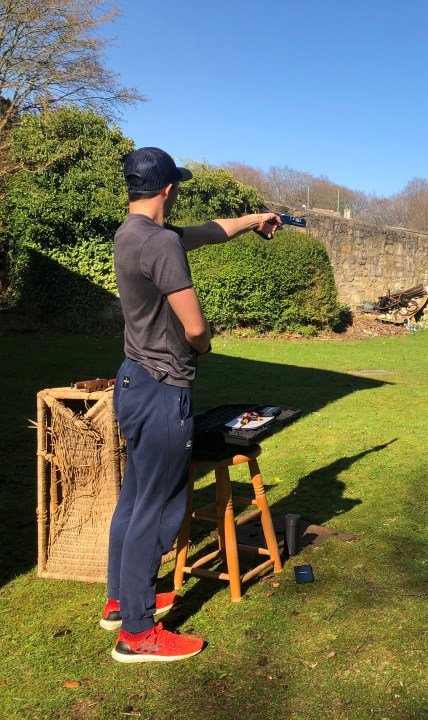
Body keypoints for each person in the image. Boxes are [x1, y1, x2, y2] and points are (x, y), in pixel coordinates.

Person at [103, 146, 281, 663]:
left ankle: (121, 601)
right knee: (157, 507)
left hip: (135, 380)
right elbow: (196, 325)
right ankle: (136, 632)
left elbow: (204, 232)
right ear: (168, 189)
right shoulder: (161, 245)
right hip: (163, 387)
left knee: (136, 498)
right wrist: (202, 347)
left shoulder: (133, 234)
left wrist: (252, 220)